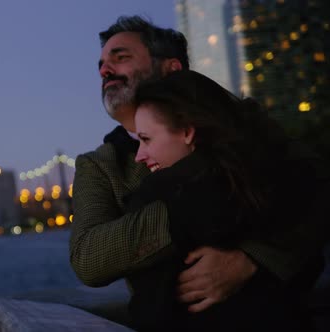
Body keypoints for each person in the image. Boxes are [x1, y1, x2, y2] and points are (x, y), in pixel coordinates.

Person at [69, 15, 329, 329]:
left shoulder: (243, 121)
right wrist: (189, 209)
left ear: (171, 69)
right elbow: (89, 259)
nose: (104, 70)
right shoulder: (99, 165)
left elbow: (315, 189)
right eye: (100, 65)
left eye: (120, 57)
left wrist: (253, 259)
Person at [125, 69, 322, 331]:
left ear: (187, 131)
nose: (139, 156)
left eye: (146, 139)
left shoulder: (161, 196)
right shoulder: (276, 178)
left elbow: (151, 312)